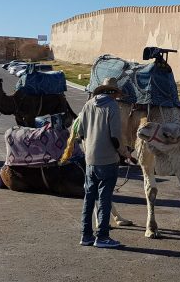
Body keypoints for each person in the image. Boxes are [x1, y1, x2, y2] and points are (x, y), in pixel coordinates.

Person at [77, 78, 129, 248]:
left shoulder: (88, 104)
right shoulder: (112, 107)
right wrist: (124, 153)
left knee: (89, 198)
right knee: (105, 198)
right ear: (112, 93)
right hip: (107, 160)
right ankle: (103, 237)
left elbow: (81, 133)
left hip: (90, 159)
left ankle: (86, 235)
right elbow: (115, 137)